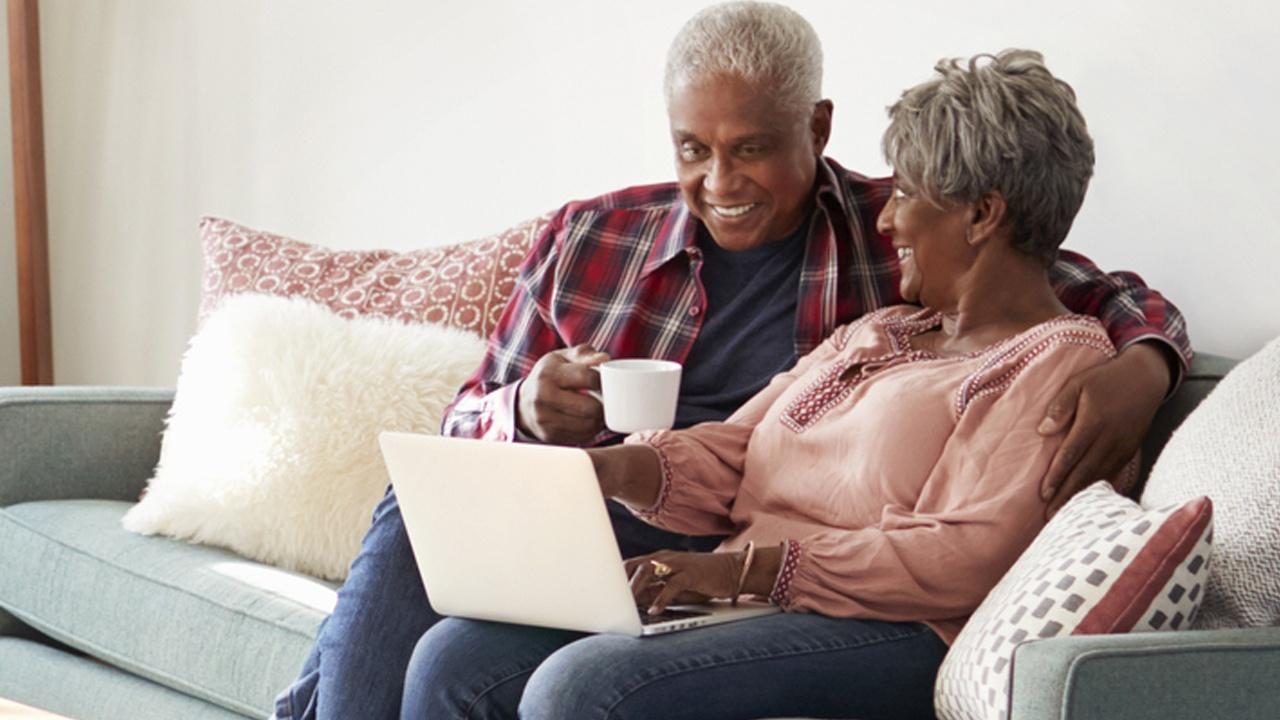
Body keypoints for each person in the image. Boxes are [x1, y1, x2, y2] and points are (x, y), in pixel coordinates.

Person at [271, 4, 1191, 719]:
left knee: (572, 691)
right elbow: (735, 451)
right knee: (448, 644)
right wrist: (593, 461)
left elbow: (969, 543)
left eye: (751, 148)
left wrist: (1146, 362)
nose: (889, 216)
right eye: (693, 149)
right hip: (695, 553)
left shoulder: (1037, 356)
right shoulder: (883, 329)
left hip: (821, 601)